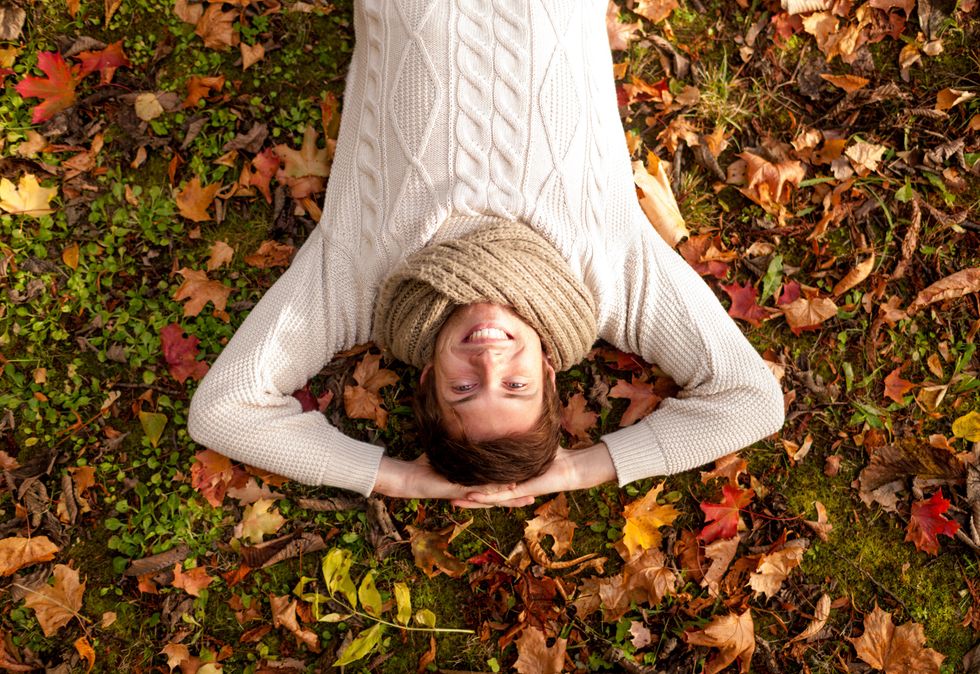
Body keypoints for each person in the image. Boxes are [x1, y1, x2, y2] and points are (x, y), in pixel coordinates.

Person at [187, 0, 785, 508]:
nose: (489, 362)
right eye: (517, 386)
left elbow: (225, 409)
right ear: (550, 371)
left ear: (428, 378)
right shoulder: (611, 279)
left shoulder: (360, 283)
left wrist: (396, 477)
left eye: (464, 391)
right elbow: (749, 401)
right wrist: (579, 469)